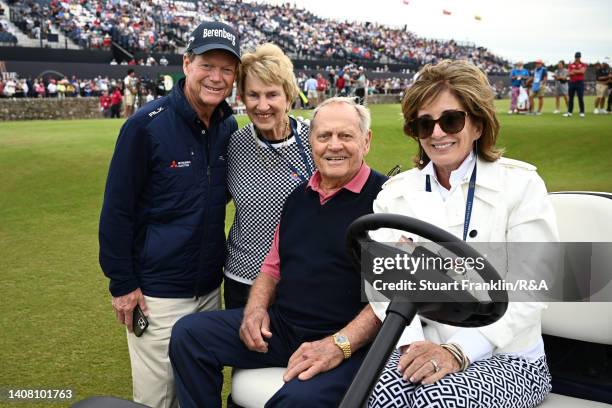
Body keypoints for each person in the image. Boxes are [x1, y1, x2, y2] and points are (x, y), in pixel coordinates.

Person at [169, 97, 388, 408]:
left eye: (346, 136)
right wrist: (256, 310)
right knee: (189, 335)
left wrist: (339, 345)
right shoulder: (298, 198)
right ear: (311, 140)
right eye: (324, 136)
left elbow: (389, 298)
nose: (334, 146)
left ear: (366, 141)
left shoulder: (386, 202)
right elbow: (272, 269)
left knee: (294, 402)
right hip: (285, 328)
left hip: (350, 343)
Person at [368, 60, 559, 408]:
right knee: (374, 392)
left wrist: (457, 352)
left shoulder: (520, 186)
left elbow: (532, 285)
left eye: (451, 120)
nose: (438, 133)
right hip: (420, 343)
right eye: (425, 124)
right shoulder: (395, 194)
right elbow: (383, 285)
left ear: (478, 124)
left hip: (509, 354)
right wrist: (412, 346)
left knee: (440, 400)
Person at [98, 21, 241, 408]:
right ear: (186, 63)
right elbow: (116, 212)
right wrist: (122, 284)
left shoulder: (228, 126)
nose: (216, 77)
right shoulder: (144, 127)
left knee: (199, 393)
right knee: (157, 398)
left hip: (210, 291)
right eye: (207, 65)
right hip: (156, 295)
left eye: (227, 69)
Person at [224, 42, 314, 309]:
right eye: (253, 95)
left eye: (272, 94)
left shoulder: (316, 139)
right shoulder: (235, 144)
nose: (262, 105)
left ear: (288, 96)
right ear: (242, 98)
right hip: (242, 281)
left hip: (300, 280)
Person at [563, 51, 587, 117]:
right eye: (576, 57)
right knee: (571, 98)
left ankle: (582, 112)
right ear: (575, 57)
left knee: (580, 97)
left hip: (580, 83)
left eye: (578, 57)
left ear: (580, 57)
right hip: (572, 83)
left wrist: (574, 71)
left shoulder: (583, 64)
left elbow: (582, 71)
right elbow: (569, 73)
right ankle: (569, 112)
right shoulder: (571, 64)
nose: (577, 58)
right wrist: (577, 71)